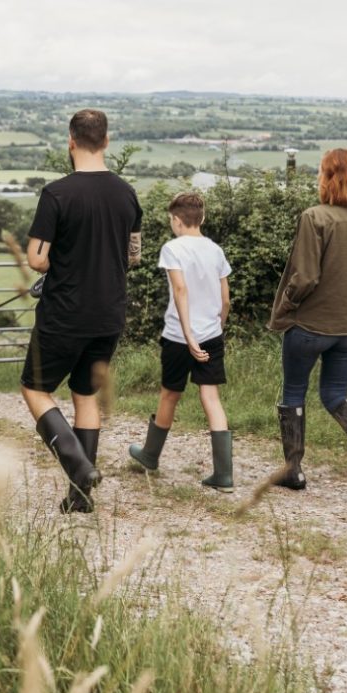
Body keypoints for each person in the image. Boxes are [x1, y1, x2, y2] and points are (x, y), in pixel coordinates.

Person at [22, 109, 143, 513]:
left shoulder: (57, 193)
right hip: (109, 312)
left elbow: (37, 259)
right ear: (106, 141)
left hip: (64, 313)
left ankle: (77, 462)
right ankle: (80, 497)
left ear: (71, 141)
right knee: (85, 395)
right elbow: (133, 255)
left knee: (36, 389)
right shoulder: (126, 193)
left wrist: (64, 260)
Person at [267, 148, 347, 502]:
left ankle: (293, 470)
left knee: (294, 391)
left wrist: (289, 304)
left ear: (328, 177)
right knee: (336, 394)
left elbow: (305, 276)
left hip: (311, 324)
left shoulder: (315, 217)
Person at [127, 191, 236, 491]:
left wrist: (188, 335)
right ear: (202, 218)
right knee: (210, 397)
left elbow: (180, 290)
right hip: (212, 335)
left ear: (176, 220)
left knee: (169, 394)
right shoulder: (215, 250)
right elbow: (225, 299)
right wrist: (217, 328)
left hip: (178, 336)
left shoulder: (172, 248)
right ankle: (224, 475)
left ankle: (150, 455)